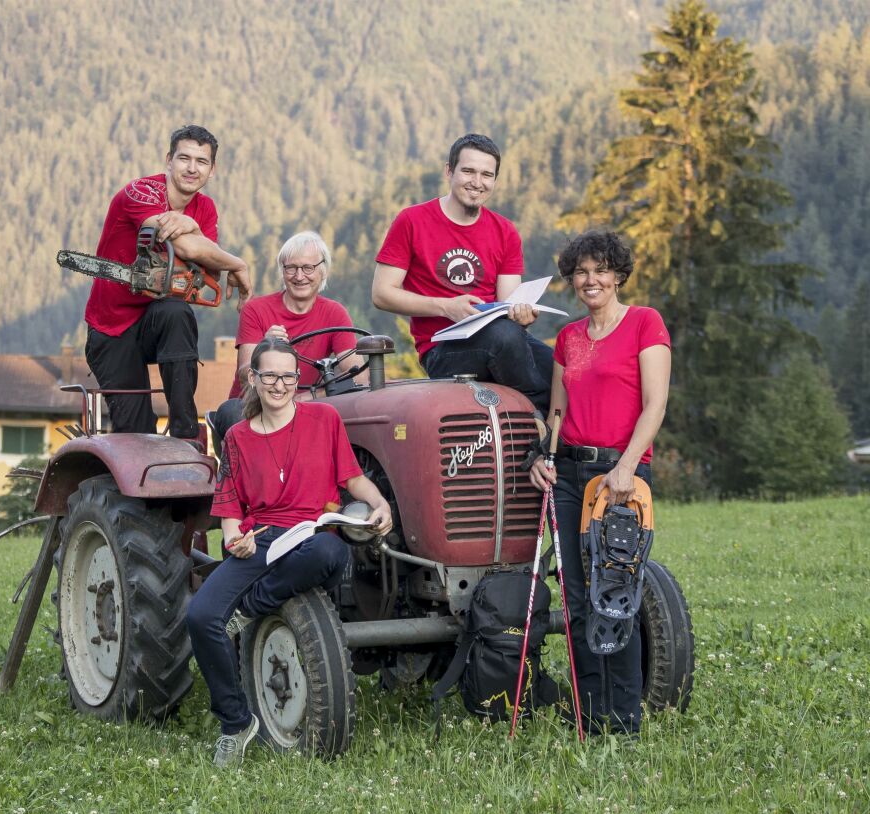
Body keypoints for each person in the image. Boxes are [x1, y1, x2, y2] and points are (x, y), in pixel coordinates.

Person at [186, 338, 392, 767]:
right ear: (253, 378)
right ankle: (235, 723)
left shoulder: (324, 418)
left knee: (327, 553)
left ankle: (251, 607)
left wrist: (379, 504)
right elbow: (230, 510)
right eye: (270, 376)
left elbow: (353, 479)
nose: (279, 385)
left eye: (288, 376)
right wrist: (234, 541)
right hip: (261, 540)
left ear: (298, 379)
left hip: (311, 535)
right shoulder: (237, 437)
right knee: (201, 616)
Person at [528, 230, 671, 736]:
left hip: (620, 476)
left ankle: (625, 718)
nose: (591, 280)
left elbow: (655, 403)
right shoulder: (568, 339)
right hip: (569, 477)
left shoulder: (644, 323)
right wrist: (541, 457)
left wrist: (627, 466)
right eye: (581, 272)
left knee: (615, 593)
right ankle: (590, 713)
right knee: (575, 596)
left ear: (618, 275)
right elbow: (556, 413)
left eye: (601, 270)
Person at [83, 124, 253, 441]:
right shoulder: (141, 192)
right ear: (168, 160)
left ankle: (184, 431)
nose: (192, 168)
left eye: (201, 161)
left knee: (176, 312)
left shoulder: (205, 208)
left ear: (212, 170)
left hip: (156, 322)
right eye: (184, 158)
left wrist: (192, 226)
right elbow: (187, 248)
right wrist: (238, 264)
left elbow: (206, 265)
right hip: (112, 328)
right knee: (135, 433)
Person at [371, 133, 553, 413]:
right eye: (468, 171)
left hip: (501, 337)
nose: (477, 182)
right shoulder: (412, 221)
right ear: (449, 171)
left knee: (562, 367)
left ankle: (558, 436)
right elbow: (382, 294)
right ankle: (534, 418)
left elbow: (508, 304)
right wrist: (446, 306)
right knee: (505, 338)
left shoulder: (504, 231)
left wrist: (521, 315)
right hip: (443, 348)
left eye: (486, 175)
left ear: (495, 180)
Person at [210, 231, 363, 452]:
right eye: (291, 268)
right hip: (257, 406)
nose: (299, 276)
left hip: (306, 407)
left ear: (323, 271)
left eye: (308, 268)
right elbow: (245, 375)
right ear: (282, 271)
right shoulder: (256, 310)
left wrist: (308, 397)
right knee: (231, 410)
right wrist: (264, 348)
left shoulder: (335, 314)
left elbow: (357, 376)